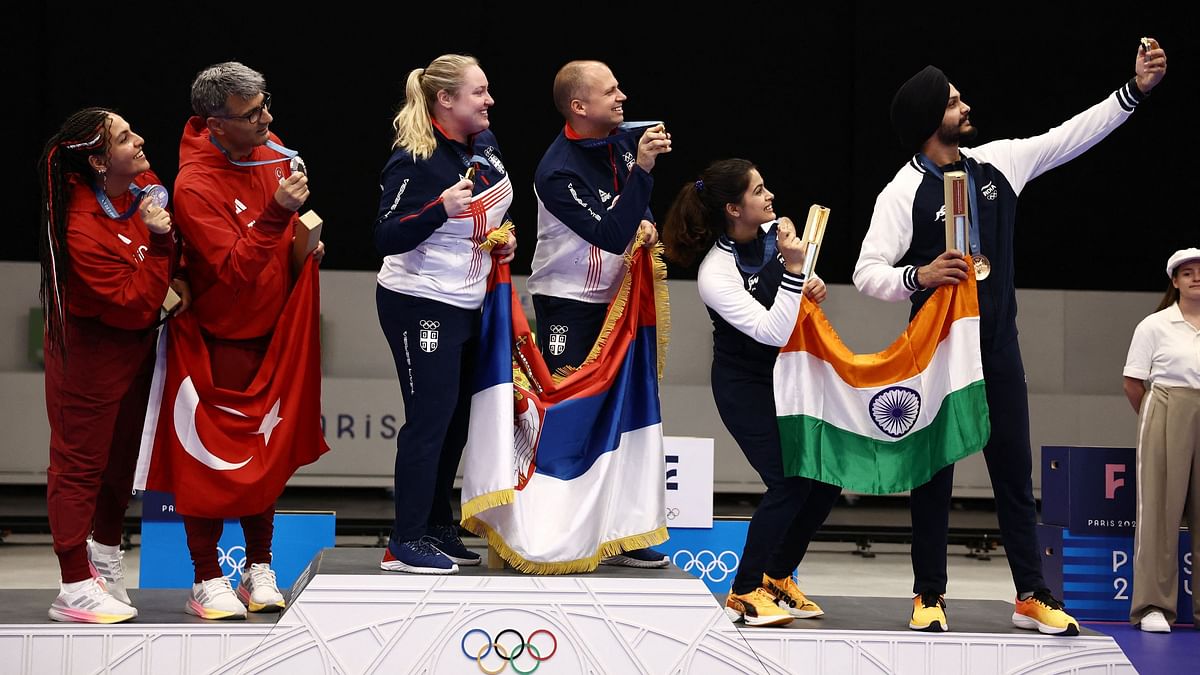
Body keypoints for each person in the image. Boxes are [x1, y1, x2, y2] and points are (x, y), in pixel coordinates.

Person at [853, 41, 1167, 634]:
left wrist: (1136, 91)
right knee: (931, 473)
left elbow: (1072, 134)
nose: (965, 105)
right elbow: (867, 271)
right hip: (937, 354)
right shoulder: (902, 191)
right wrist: (916, 275)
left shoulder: (998, 163)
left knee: (1013, 474)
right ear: (929, 121)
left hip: (996, 347)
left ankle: (1030, 593)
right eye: (952, 101)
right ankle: (928, 596)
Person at [662, 159, 842, 626]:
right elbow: (772, 329)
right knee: (788, 482)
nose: (770, 197)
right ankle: (743, 591)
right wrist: (796, 273)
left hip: (788, 379)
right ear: (732, 208)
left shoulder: (774, 239)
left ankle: (778, 576)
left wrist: (807, 280)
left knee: (825, 479)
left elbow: (795, 296)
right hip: (745, 386)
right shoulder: (715, 273)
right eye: (758, 191)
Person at [173, 62, 323, 619]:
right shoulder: (193, 186)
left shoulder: (274, 149)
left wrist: (302, 248)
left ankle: (259, 566)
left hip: (274, 335)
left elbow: (275, 244)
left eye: (265, 105)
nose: (268, 119)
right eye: (252, 113)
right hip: (217, 342)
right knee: (209, 461)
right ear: (214, 124)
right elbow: (233, 270)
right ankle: (206, 576)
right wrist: (278, 210)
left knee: (267, 453)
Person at [374, 54, 516, 575]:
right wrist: (440, 209)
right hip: (419, 301)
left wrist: (502, 238)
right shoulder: (415, 158)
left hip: (469, 299)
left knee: (456, 421)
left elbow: (491, 210)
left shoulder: (485, 146)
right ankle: (403, 540)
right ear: (446, 101)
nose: (489, 100)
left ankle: (436, 525)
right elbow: (385, 236)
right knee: (429, 420)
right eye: (479, 92)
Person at [526, 59, 671, 568]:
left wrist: (649, 221)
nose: (622, 97)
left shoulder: (623, 138)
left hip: (617, 300)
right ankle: (552, 528)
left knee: (621, 412)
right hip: (567, 303)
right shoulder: (556, 170)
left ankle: (620, 532)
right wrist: (645, 174)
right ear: (578, 106)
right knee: (567, 411)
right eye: (610, 91)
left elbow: (631, 212)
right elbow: (609, 232)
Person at [38, 108, 181, 623]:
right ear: (99, 162)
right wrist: (159, 244)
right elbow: (136, 300)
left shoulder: (140, 182)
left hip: (137, 351)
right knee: (79, 466)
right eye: (125, 138)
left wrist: (161, 245)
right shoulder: (80, 226)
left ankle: (103, 557)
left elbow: (160, 206)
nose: (141, 140)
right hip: (89, 359)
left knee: (122, 462)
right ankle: (73, 583)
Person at [1122, 247, 1200, 634]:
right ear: (1175, 281)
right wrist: (1159, 423)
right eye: (1188, 273)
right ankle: (1153, 605)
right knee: (1159, 512)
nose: (1196, 278)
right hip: (1168, 405)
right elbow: (1133, 383)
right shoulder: (1155, 325)